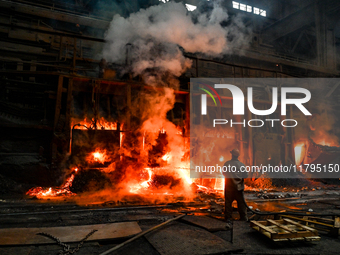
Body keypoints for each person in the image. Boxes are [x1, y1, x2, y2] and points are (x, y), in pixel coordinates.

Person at [223, 148, 248, 221]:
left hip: (229, 188)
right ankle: (244, 218)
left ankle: (227, 218)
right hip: (239, 188)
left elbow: (224, 173)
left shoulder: (227, 164)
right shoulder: (241, 165)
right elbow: (245, 176)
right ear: (238, 156)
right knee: (241, 204)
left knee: (228, 203)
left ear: (232, 155)